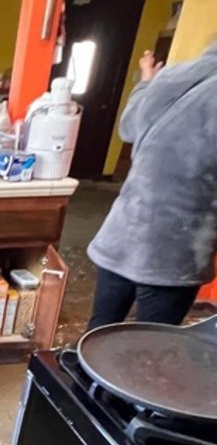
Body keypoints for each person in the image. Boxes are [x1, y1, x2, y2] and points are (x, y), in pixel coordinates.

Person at [86, 40, 217, 330]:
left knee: (98, 333)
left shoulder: (172, 76)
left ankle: (82, 375)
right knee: (150, 348)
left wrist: (147, 81)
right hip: (174, 252)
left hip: (121, 235)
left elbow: (128, 126)